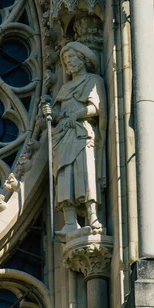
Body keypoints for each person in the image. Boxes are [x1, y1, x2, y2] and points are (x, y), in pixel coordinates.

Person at [42, 42, 106, 238]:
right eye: (65, 59)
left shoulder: (92, 81)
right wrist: (50, 113)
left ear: (83, 59)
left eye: (71, 58)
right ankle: (70, 221)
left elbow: (96, 108)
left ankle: (92, 217)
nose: (67, 62)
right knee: (64, 175)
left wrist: (76, 115)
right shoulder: (65, 87)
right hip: (63, 136)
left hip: (81, 133)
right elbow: (58, 114)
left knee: (85, 173)